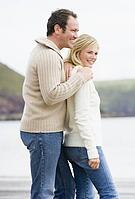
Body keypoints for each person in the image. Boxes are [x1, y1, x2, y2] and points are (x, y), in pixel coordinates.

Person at [20, 9, 93, 199]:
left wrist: (69, 64)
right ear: (58, 29)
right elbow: (52, 95)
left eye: (78, 31)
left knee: (66, 188)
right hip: (42, 132)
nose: (76, 35)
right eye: (73, 30)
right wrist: (81, 77)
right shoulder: (48, 56)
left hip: (47, 132)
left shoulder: (52, 54)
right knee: (44, 191)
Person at [63, 34, 119, 198]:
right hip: (84, 146)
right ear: (78, 51)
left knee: (85, 194)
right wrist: (92, 151)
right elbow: (81, 116)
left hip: (72, 145)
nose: (93, 57)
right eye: (89, 52)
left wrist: (67, 61)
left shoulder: (71, 73)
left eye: (96, 53)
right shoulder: (83, 77)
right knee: (109, 193)